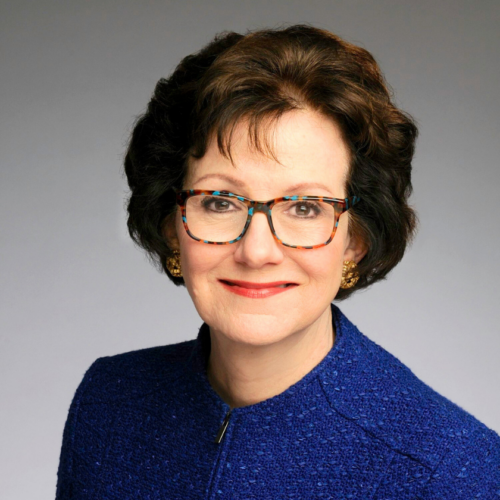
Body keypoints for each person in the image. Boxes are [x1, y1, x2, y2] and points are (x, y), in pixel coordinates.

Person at [55, 25, 500, 499]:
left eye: (305, 207)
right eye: (220, 201)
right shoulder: (109, 403)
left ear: (357, 239)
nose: (257, 251)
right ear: (172, 224)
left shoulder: (454, 471)